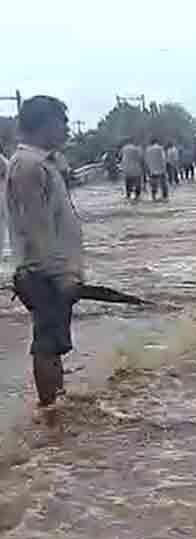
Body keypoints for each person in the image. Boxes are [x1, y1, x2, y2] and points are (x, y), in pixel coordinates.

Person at [5, 95, 83, 407]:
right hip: (44, 272)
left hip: (47, 271)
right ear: (44, 124)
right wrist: (60, 275)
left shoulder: (40, 164)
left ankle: (55, 410)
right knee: (48, 345)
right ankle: (50, 413)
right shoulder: (28, 166)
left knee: (53, 344)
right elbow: (35, 230)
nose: (66, 129)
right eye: (62, 122)